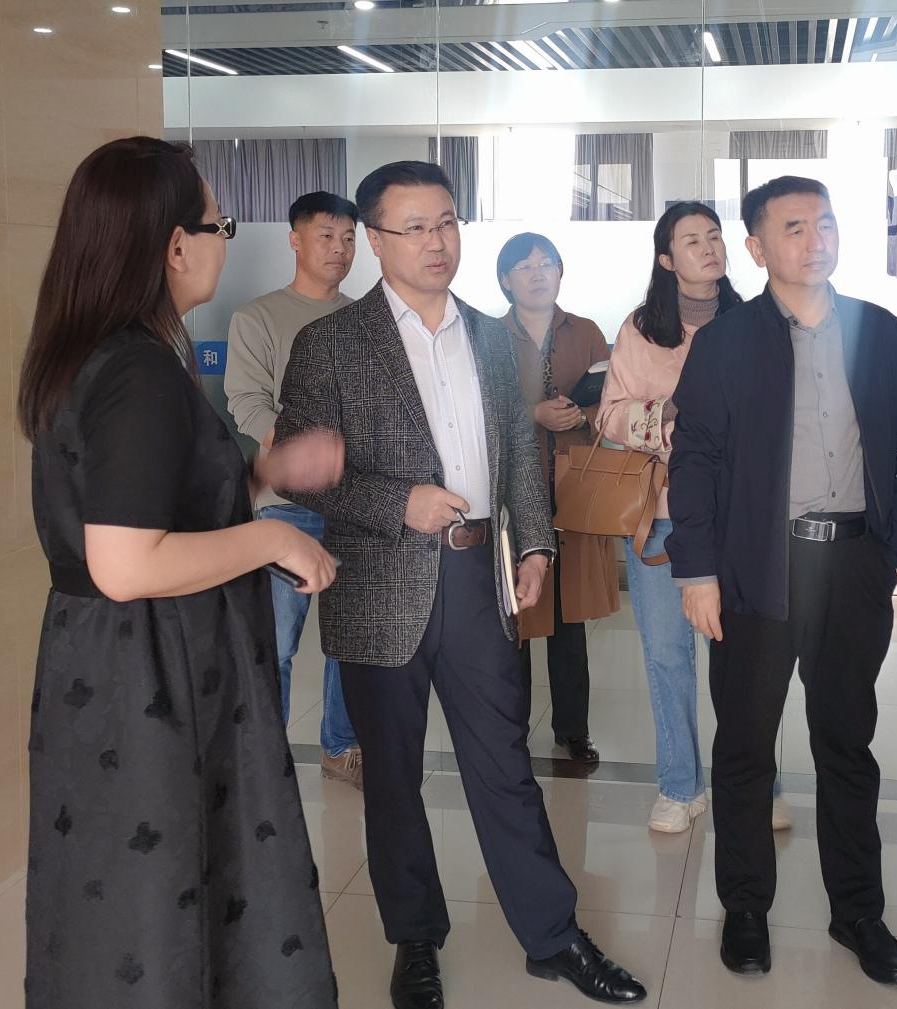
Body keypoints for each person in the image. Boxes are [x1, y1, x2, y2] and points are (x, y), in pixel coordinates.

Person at [275, 161, 646, 1009]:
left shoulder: (488, 333)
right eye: (414, 227)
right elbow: (301, 471)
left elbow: (516, 450)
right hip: (379, 586)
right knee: (393, 779)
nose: (436, 242)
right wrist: (395, 502)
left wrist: (537, 544)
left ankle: (552, 935)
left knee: (504, 763)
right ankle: (415, 940)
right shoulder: (330, 344)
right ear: (375, 240)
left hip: (480, 579)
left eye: (446, 222)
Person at [17, 137, 343, 1009]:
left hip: (110, 665)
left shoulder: (96, 352)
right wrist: (272, 541)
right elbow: (126, 562)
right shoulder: (138, 370)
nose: (223, 242)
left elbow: (152, 507)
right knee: (157, 897)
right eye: (218, 225)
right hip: (151, 675)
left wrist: (262, 474)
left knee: (126, 895)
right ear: (173, 245)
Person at [668, 176, 897, 985]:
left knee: (846, 741)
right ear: (756, 248)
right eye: (794, 227)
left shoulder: (878, 331)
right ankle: (745, 906)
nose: (815, 239)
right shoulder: (727, 341)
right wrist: (697, 569)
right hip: (757, 566)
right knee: (746, 744)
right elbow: (696, 459)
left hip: (853, 563)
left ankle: (858, 910)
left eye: (825, 224)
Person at [599, 201, 797, 834]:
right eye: (692, 240)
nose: (709, 248)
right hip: (662, 516)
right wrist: (669, 419)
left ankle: (758, 786)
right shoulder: (639, 329)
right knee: (666, 656)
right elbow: (609, 415)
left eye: (714, 236)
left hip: (744, 518)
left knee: (748, 661)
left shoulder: (757, 321)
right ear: (666, 259)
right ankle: (679, 786)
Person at [225, 190, 364, 788]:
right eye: (326, 236)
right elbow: (246, 402)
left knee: (349, 640)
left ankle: (342, 746)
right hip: (285, 509)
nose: (339, 249)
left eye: (349, 238)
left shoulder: (367, 318)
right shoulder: (258, 317)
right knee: (276, 641)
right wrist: (303, 455)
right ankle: (266, 757)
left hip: (355, 507)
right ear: (295, 240)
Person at [497, 231, 619, 765]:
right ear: (505, 280)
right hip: (513, 494)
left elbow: (615, 402)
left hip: (576, 489)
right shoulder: (488, 335)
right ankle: (511, 732)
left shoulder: (586, 331)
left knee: (570, 618)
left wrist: (582, 416)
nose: (538, 274)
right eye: (525, 267)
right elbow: (480, 412)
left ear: (561, 273)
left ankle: (573, 730)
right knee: (517, 618)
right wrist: (533, 415)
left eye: (547, 264)